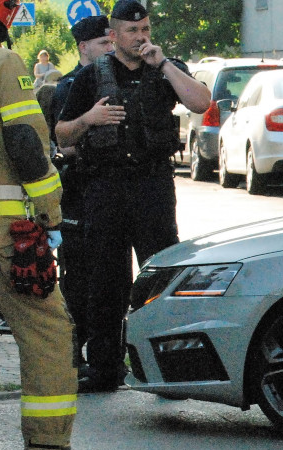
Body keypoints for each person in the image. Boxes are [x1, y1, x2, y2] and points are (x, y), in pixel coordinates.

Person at [0, 0, 104, 450]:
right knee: (50, 333)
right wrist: (49, 209)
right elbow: (23, 142)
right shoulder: (1, 63)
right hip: (2, 232)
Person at [55, 0, 210, 393]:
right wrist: (89, 120)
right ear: (114, 35)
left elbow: (200, 102)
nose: (141, 38)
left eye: (145, 31)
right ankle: (105, 368)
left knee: (163, 280)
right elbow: (62, 134)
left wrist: (165, 65)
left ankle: (171, 369)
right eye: (132, 32)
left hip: (153, 187)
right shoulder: (91, 78)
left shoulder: (165, 69)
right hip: (105, 188)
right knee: (106, 282)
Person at [49, 14, 112, 371]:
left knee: (109, 279)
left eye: (112, 42)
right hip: (78, 191)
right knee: (78, 280)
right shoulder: (68, 85)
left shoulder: (119, 78)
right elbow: (64, 144)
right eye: (103, 43)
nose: (109, 49)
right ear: (83, 46)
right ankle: (73, 358)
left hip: (110, 191)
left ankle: (106, 359)